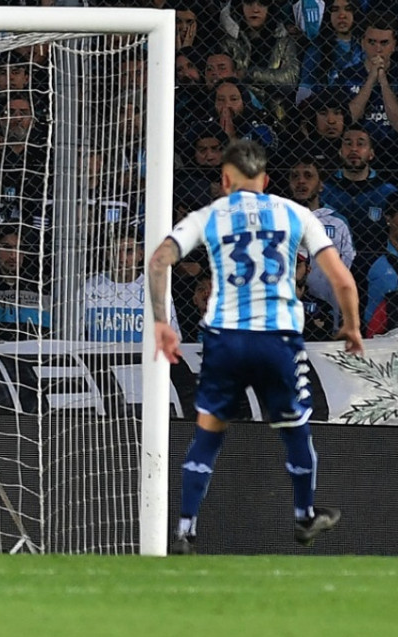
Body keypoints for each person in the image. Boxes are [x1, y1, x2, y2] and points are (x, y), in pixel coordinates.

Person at [146, 139, 363, 555]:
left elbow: (157, 262)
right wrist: (351, 327)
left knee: (208, 431)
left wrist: (162, 324)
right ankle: (304, 515)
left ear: (226, 180)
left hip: (225, 338)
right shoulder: (296, 213)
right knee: (296, 429)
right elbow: (342, 280)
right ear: (265, 180)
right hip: (277, 338)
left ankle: (186, 529)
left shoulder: (209, 215)